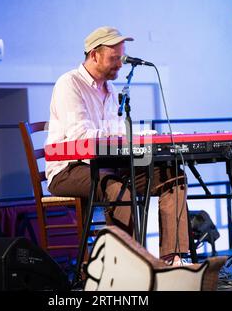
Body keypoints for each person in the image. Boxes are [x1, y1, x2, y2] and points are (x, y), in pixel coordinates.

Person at [45, 26, 190, 265]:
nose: (120, 64)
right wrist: (128, 136)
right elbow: (80, 136)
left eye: (121, 58)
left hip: (107, 166)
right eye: (114, 58)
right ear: (94, 55)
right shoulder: (68, 84)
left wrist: (142, 137)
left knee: (172, 177)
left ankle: (172, 259)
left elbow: (115, 135)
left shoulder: (110, 90)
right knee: (117, 189)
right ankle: (128, 266)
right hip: (67, 170)